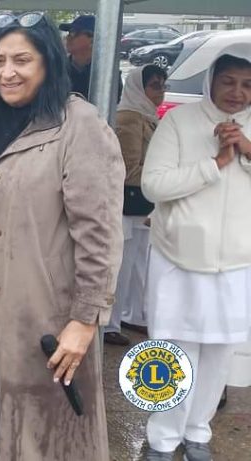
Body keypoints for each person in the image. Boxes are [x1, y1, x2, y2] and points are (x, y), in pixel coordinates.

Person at [0, 12, 123, 460]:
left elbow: (100, 234)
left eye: (21, 60)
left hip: (43, 317)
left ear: (47, 64)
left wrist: (85, 320)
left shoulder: (78, 125)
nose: (7, 72)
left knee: (43, 435)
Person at [140, 43, 251, 461]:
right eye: (228, 81)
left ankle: (198, 432)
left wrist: (246, 149)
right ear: (211, 81)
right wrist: (216, 162)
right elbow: (154, 185)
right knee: (173, 350)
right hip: (179, 257)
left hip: (237, 261)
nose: (237, 93)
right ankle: (161, 439)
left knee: (219, 354)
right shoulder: (180, 122)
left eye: (247, 85)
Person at [107, 64, 168, 346]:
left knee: (139, 265)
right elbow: (127, 168)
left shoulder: (146, 114)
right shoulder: (129, 117)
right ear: (138, 87)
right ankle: (110, 323)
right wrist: (164, 175)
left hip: (144, 203)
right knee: (122, 266)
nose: (160, 91)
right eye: (154, 85)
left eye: (162, 85)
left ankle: (133, 315)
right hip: (129, 202)